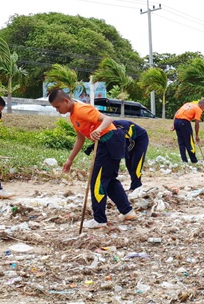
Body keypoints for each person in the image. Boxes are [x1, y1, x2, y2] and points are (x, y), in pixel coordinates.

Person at [48, 89, 136, 228]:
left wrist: (98, 129)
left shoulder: (81, 109)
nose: (57, 110)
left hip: (109, 140)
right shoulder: (73, 116)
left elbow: (107, 119)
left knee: (97, 181)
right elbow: (80, 138)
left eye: (58, 107)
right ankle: (127, 211)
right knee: (109, 179)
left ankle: (99, 219)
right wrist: (70, 160)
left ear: (66, 101)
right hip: (107, 142)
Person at [112, 119, 149, 192]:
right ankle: (134, 185)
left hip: (140, 139)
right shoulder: (109, 130)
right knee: (128, 164)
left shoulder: (121, 127)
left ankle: (136, 186)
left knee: (136, 163)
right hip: (130, 141)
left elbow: (120, 146)